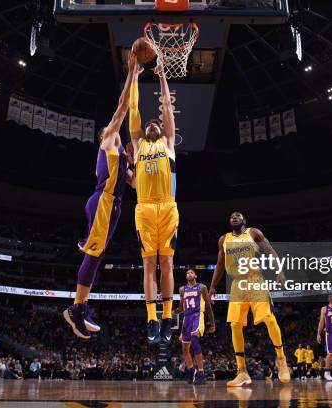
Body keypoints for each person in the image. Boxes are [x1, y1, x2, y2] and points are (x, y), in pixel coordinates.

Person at [63, 53, 140, 339]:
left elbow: (134, 185)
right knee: (93, 254)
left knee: (97, 256)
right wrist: (132, 72)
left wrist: (136, 163)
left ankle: (80, 308)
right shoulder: (108, 140)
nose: (118, 130)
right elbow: (122, 107)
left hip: (115, 206)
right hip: (103, 201)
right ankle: (76, 309)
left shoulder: (121, 157)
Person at [129, 60, 179, 345]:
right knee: (149, 266)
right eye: (148, 125)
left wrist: (162, 77)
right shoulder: (139, 146)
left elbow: (168, 109)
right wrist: (134, 77)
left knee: (168, 265)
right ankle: (151, 318)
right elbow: (134, 110)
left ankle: (168, 316)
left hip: (168, 207)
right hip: (145, 207)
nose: (151, 125)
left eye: (155, 124)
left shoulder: (168, 143)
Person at [209, 212, 291, 386]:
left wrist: (280, 272)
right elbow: (220, 265)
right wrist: (212, 286)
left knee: (268, 318)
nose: (234, 217)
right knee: (235, 325)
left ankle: (281, 361)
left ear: (244, 221)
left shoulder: (254, 233)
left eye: (238, 216)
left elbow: (271, 252)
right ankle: (242, 372)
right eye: (231, 216)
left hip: (255, 280)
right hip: (237, 284)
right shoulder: (224, 239)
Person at [177, 269, 215, 385]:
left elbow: (208, 306)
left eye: (191, 272)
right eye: (187, 273)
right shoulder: (182, 289)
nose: (189, 274)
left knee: (194, 340)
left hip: (197, 316)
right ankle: (191, 370)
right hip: (186, 318)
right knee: (184, 349)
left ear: (196, 276)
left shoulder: (202, 287)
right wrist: (171, 313)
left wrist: (212, 323)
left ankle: (202, 373)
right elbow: (181, 308)